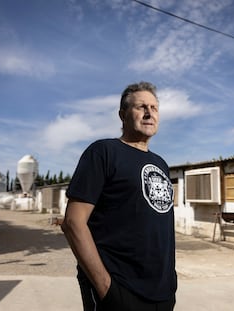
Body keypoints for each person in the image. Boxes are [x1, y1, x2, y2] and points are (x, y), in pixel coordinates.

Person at [61, 81, 177, 311]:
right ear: (122, 115)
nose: (148, 113)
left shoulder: (161, 164)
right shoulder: (103, 152)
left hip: (162, 294)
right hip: (119, 291)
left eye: (154, 108)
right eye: (141, 107)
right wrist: (106, 286)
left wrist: (170, 283)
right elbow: (73, 222)